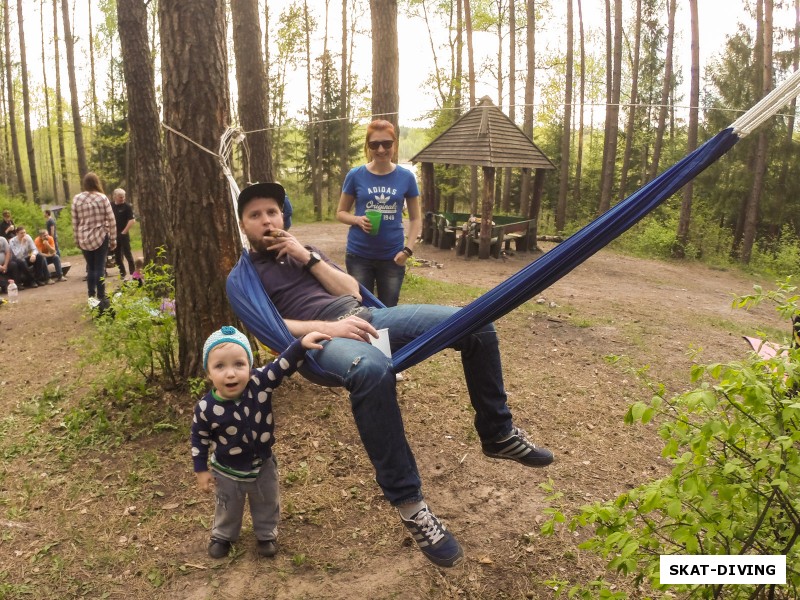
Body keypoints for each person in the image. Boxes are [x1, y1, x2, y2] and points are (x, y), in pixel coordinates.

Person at [233, 182, 554, 568]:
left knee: (476, 322)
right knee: (370, 368)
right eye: (255, 215)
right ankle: (411, 505)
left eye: (272, 212)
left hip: (367, 317)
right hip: (319, 342)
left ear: (283, 217)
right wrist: (330, 328)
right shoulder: (243, 277)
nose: (266, 220)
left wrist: (307, 257)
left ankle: (498, 433)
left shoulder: (307, 252)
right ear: (243, 225)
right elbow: (269, 326)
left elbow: (352, 289)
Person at [191, 325, 330, 559]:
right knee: (227, 505)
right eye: (220, 366)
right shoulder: (205, 408)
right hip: (226, 470)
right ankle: (223, 535)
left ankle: (266, 534)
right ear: (208, 373)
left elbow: (281, 366)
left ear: (250, 366)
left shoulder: (260, 383)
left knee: (266, 499)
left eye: (239, 364)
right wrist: (201, 470)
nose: (231, 373)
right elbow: (199, 439)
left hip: (262, 464)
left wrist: (301, 345)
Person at [336, 119, 422, 308]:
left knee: (388, 309)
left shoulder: (406, 177)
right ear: (368, 146)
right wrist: (357, 219)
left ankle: (387, 339)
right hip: (359, 256)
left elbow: (416, 218)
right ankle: (362, 339)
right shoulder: (355, 175)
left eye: (387, 144)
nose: (381, 149)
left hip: (393, 257)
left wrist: (407, 250)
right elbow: (341, 213)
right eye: (374, 144)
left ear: (395, 145)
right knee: (360, 308)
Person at [72, 172, 117, 311]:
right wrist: (113, 238)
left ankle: (91, 296)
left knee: (90, 267)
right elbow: (111, 219)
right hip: (100, 235)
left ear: (84, 184)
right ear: (97, 183)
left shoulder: (77, 199)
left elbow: (75, 222)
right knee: (99, 267)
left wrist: (76, 239)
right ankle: (101, 296)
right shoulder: (102, 198)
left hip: (84, 237)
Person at [111, 188, 136, 279]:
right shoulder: (110, 205)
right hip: (113, 234)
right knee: (117, 256)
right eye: (120, 197)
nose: (122, 199)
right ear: (115, 197)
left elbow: (132, 220)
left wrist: (124, 232)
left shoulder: (127, 206)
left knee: (128, 254)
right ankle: (122, 273)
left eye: (123, 197)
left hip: (124, 233)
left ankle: (133, 273)